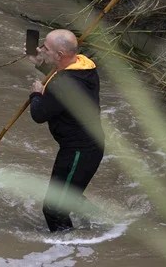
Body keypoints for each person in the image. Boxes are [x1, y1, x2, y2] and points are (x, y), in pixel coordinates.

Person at [27, 28, 104, 233]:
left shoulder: (63, 84)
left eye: (45, 48)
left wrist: (35, 94)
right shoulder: (84, 67)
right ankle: (103, 226)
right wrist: (43, 65)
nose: (41, 49)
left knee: (53, 209)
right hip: (88, 147)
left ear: (60, 55)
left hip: (80, 151)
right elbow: (61, 83)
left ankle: (68, 251)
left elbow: (39, 114)